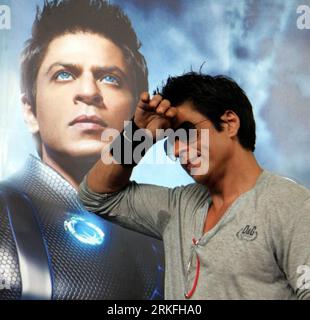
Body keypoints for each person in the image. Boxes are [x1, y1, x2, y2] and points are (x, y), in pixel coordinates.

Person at [79, 72, 310, 300]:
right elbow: (96, 196)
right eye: (170, 141)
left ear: (230, 123)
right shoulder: (178, 206)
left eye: (187, 133)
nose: (178, 150)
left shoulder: (291, 204)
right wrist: (138, 135)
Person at [0, 0, 164, 300]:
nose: (89, 92)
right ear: (30, 110)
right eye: (64, 74)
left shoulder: (161, 235)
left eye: (110, 78)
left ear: (136, 110)